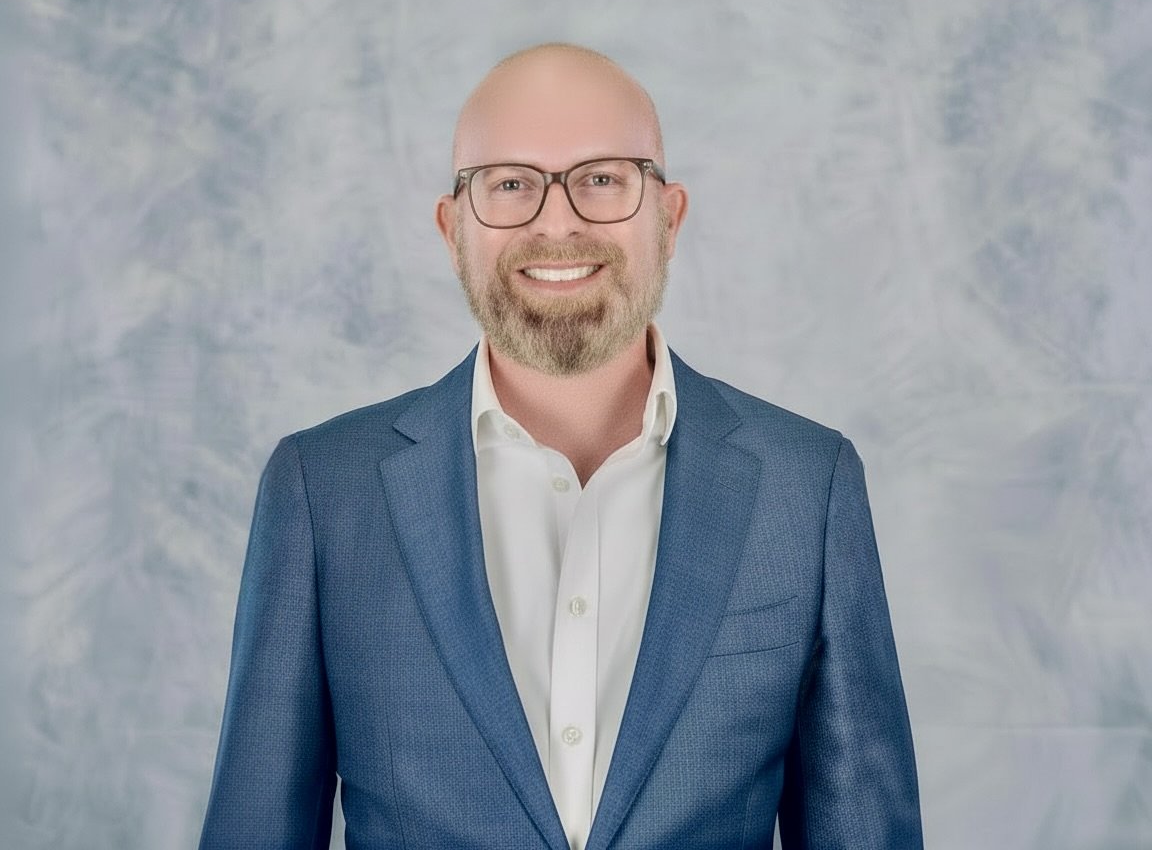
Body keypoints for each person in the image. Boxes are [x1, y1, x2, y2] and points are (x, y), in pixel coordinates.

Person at [199, 42, 923, 849]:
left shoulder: (807, 488)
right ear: (451, 229)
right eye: (509, 184)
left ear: (670, 217)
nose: (557, 222)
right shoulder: (323, 491)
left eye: (602, 178)